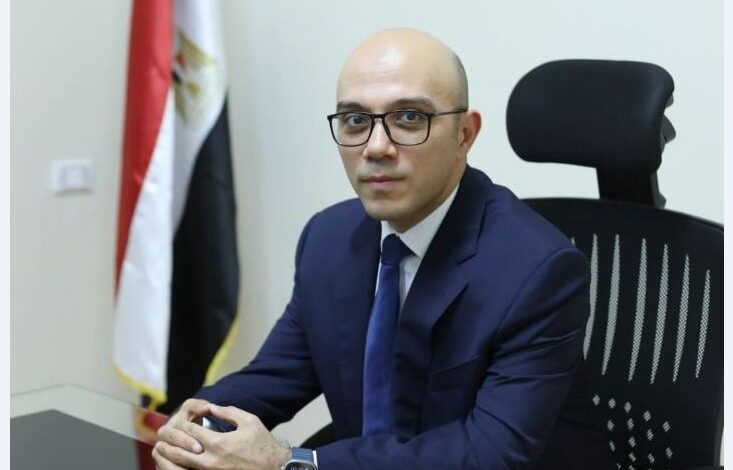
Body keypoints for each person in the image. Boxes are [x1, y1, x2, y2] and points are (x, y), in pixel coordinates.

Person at [152, 28, 612, 470]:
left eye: (409, 118)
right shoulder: (328, 238)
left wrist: (291, 463)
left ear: (465, 134)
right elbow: (276, 375)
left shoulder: (538, 270)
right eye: (356, 120)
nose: (376, 147)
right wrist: (192, 428)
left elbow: (490, 453)